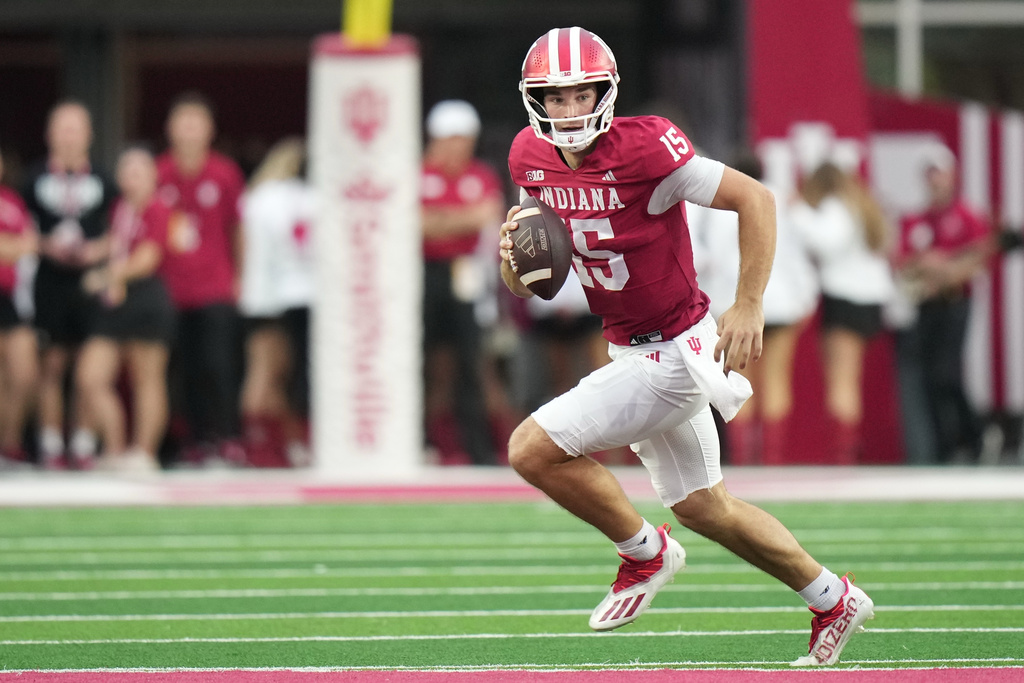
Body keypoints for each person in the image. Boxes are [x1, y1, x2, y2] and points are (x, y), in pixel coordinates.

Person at [498, 27, 873, 666]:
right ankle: (833, 597)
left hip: (673, 352)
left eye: (579, 93)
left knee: (531, 449)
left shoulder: (646, 147)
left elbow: (754, 198)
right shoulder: (527, 157)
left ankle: (644, 553)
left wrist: (749, 301)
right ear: (534, 101)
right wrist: (512, 258)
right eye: (552, 97)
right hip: (630, 347)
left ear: (605, 91)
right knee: (706, 506)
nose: (566, 110)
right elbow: (529, 280)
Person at [690, 152, 819, 465]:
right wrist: (806, 298)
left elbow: (708, 258)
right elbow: (798, 254)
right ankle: (772, 460)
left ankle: (747, 462)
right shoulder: (779, 199)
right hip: (781, 302)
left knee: (739, 382)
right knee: (776, 380)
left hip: (733, 304)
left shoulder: (717, 206)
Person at [22, 100, 117, 470]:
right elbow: (20, 227)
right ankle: (49, 443)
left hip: (91, 283)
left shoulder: (105, 181)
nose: (69, 135)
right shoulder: (32, 179)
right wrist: (47, 246)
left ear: (89, 135)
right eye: (62, 127)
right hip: (49, 282)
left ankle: (83, 443)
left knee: (86, 367)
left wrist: (96, 251)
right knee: (52, 363)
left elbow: (120, 230)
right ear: (49, 134)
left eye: (75, 128)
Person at [156, 91, 246, 466]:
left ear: (210, 130)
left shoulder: (225, 173)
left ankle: (225, 437)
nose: (190, 129)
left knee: (219, 364)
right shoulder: (159, 172)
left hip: (215, 286)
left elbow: (237, 229)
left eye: (197, 122)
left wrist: (240, 276)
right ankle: (190, 439)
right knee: (181, 368)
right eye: (183, 121)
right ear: (170, 129)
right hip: (170, 289)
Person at [76, 146, 176, 472]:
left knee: (147, 377)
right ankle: (115, 447)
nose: (131, 179)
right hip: (116, 299)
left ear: (152, 177)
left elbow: (147, 258)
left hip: (146, 297)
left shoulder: (159, 208)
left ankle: (144, 453)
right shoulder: (120, 207)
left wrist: (106, 275)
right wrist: (83, 252)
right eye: (126, 172)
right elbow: (116, 243)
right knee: (90, 377)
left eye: (138, 172)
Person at [790, 162, 895, 464]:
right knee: (851, 378)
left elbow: (825, 243)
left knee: (841, 380)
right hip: (870, 299)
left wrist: (798, 211)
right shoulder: (863, 206)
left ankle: (843, 453)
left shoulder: (835, 206)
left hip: (846, 298)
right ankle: (847, 448)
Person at [895, 144, 993, 464]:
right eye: (931, 174)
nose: (935, 180)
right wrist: (931, 265)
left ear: (952, 176)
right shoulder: (918, 219)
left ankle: (975, 437)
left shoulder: (966, 216)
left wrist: (944, 268)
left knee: (946, 374)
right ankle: (944, 447)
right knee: (927, 379)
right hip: (926, 306)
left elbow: (978, 258)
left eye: (940, 173)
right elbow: (905, 262)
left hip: (955, 304)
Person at [420, 100, 505, 465]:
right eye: (452, 139)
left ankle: (478, 447)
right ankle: (430, 442)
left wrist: (441, 220)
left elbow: (491, 216)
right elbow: (416, 225)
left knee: (473, 360)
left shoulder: (482, 174)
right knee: (426, 359)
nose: (459, 147)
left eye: (464, 139)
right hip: (425, 271)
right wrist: (464, 219)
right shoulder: (417, 174)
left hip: (468, 272)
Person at [237, 137, 314, 468]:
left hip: (257, 297)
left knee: (264, 372)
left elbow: (241, 246)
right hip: (292, 296)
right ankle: (268, 445)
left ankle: (266, 442)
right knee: (273, 375)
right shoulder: (306, 200)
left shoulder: (255, 198)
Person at [0, 147, 39, 467]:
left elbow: (29, 244)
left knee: (23, 373)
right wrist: (11, 246)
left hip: (10, 297)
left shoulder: (12, 201)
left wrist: (11, 247)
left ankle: (10, 444)